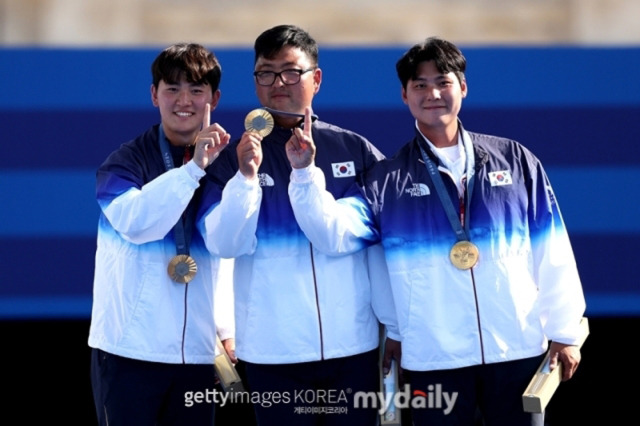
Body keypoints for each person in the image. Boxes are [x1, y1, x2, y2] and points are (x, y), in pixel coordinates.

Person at [287, 36, 587, 426]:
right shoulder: (386, 180)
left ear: (462, 87)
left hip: (516, 348)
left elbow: (552, 248)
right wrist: (304, 172)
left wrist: (564, 330)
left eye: (443, 82)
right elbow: (333, 235)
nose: (433, 94)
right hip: (433, 356)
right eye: (420, 85)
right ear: (405, 96)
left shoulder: (514, 160)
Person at [202, 24, 400, 425]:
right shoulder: (231, 158)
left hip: (352, 350)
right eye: (266, 72)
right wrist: (244, 179)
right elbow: (223, 245)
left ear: (316, 79)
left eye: (291, 71)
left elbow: (379, 246)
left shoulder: (355, 150)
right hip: (273, 354)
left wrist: (394, 325)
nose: (279, 83)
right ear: (255, 80)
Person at [88, 42, 231, 426]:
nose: (184, 100)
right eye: (172, 89)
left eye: (197, 90)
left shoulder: (226, 166)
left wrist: (227, 328)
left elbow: (228, 249)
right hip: (129, 353)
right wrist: (192, 170)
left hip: (198, 356)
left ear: (213, 99)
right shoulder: (125, 162)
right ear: (154, 95)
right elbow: (135, 225)